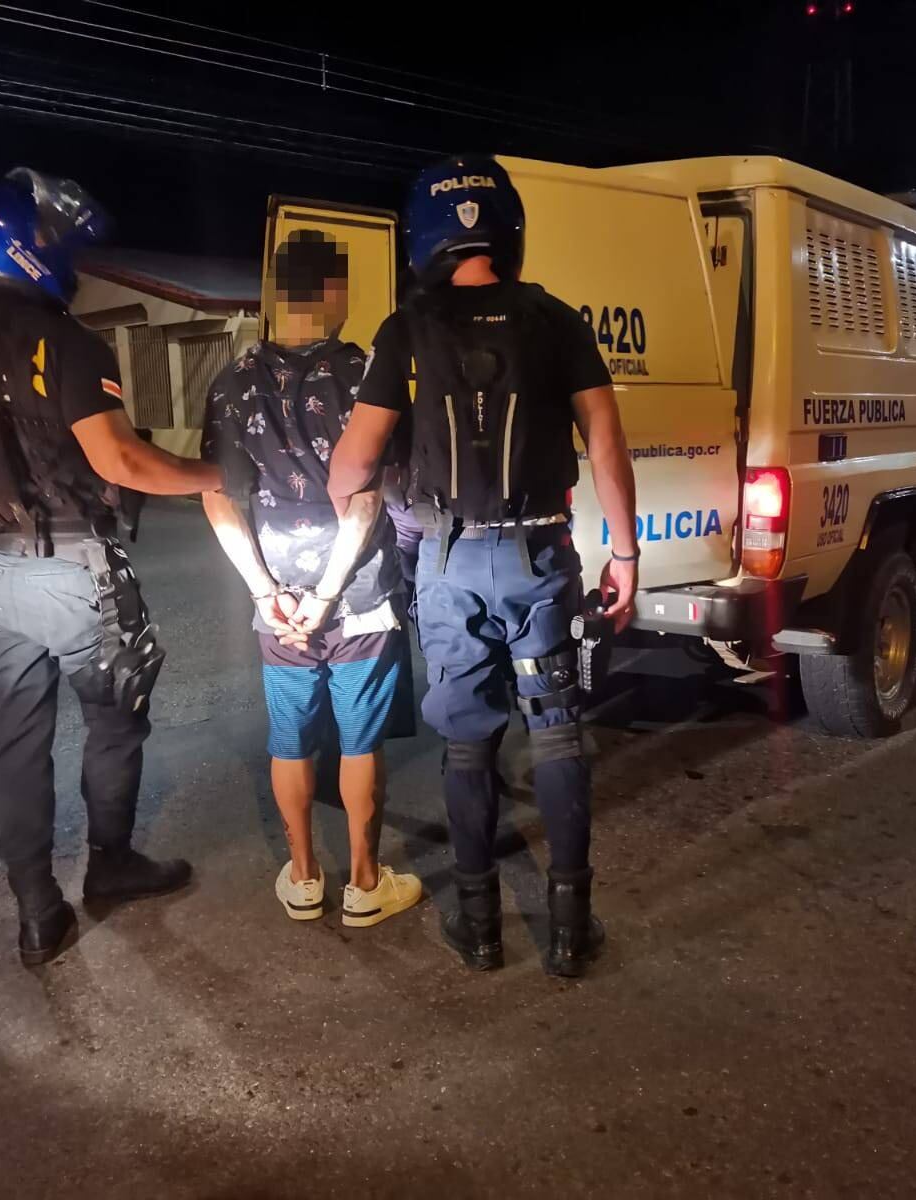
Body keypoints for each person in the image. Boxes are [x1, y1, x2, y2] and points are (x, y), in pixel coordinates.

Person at [327, 155, 639, 978]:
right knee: (559, 732)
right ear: (509, 228)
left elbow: (350, 467)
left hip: (448, 562)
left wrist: (369, 518)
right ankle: (571, 928)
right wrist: (628, 552)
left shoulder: (406, 331)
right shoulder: (556, 320)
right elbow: (605, 444)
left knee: (466, 746)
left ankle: (481, 928)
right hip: (540, 555)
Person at [0, 168, 223, 966]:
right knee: (116, 720)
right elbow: (121, 461)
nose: (61, 251)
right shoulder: (62, 339)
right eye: (50, 237)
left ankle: (37, 912)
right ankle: (111, 866)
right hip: (70, 569)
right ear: (21, 245)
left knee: (15, 746)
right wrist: (220, 476)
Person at [201, 229, 421, 927]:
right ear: (334, 292)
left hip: (280, 606)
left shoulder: (232, 381)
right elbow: (369, 493)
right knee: (360, 742)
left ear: (275, 293)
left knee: (288, 737)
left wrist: (267, 594)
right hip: (354, 599)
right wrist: (329, 592)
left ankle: (302, 878)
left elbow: (216, 495)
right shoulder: (365, 374)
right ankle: (363, 884)